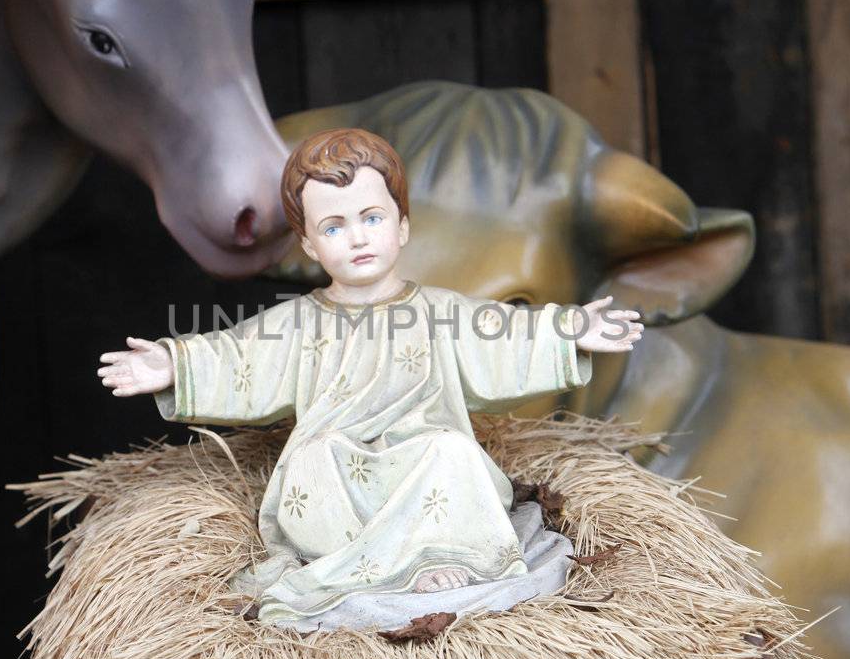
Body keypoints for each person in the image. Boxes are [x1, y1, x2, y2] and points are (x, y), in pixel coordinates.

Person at [98, 128, 643, 631]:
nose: (357, 238)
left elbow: (506, 333)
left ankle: (436, 558)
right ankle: (369, 568)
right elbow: (238, 355)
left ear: (402, 226)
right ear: (309, 245)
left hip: (421, 461)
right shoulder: (298, 320)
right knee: (317, 459)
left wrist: (571, 331)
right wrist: (174, 364)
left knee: (449, 451)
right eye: (333, 227)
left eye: (372, 218)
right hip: (337, 469)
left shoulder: (439, 311)